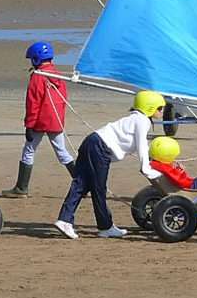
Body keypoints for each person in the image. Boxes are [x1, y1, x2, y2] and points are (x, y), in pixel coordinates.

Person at [54, 90, 164, 239]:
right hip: (99, 148)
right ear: (150, 107)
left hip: (91, 142)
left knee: (82, 184)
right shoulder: (142, 121)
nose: (162, 112)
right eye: (160, 108)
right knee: (98, 188)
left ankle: (66, 220)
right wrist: (146, 168)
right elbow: (142, 145)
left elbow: (141, 145)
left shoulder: (136, 119)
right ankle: (103, 227)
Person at [4, 41, 75, 198]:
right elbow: (62, 100)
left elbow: (33, 103)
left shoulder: (38, 77)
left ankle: (21, 188)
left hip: (40, 122)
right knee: (63, 153)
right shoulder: (57, 74)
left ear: (36, 59)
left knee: (28, 151)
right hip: (56, 121)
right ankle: (82, 184)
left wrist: (29, 125)